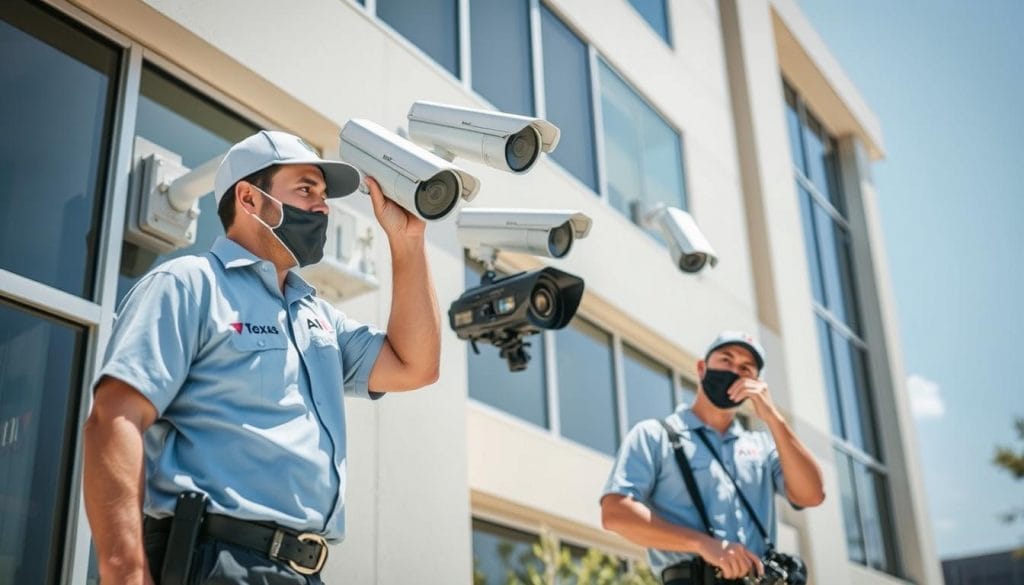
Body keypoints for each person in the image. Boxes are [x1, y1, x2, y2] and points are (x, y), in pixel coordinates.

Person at [83, 130, 441, 585]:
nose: (323, 207)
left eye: (324, 195)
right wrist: (124, 573)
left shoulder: (319, 317)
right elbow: (113, 419)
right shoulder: (188, 284)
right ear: (249, 199)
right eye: (306, 189)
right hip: (213, 561)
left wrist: (407, 241)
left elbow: (415, 365)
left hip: (302, 571)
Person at [600, 331, 825, 584]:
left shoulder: (763, 447)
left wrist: (774, 418)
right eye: (726, 360)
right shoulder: (655, 436)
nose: (734, 372)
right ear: (701, 368)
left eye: (745, 368)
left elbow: (812, 494)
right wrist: (702, 544)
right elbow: (615, 514)